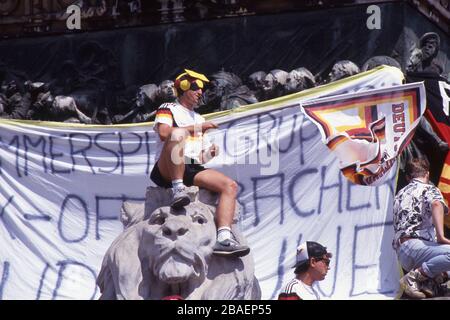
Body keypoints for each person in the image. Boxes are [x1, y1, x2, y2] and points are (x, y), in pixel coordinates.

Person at [150, 68, 250, 258]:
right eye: (196, 87)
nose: (200, 92)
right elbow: (164, 133)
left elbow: (200, 159)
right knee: (178, 134)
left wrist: (209, 153)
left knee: (229, 185)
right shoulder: (168, 108)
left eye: (202, 89)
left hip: (190, 166)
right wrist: (198, 128)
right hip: (167, 167)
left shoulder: (199, 118)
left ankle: (223, 237)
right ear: (184, 87)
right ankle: (178, 189)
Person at [393, 158, 450, 299]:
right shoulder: (429, 188)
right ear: (428, 174)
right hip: (418, 247)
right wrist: (441, 236)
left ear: (407, 177)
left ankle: (429, 283)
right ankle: (414, 277)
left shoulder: (399, 194)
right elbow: (436, 204)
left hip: (402, 252)